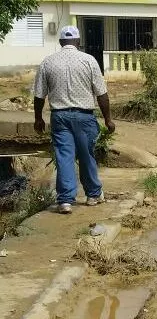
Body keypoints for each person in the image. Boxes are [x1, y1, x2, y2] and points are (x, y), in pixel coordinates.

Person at [33, 25, 115, 214]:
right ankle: (93, 195)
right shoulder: (89, 61)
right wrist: (108, 119)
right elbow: (102, 94)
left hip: (59, 116)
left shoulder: (48, 62)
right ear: (78, 42)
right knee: (87, 155)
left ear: (61, 42)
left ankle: (65, 201)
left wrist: (38, 118)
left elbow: (39, 96)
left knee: (64, 157)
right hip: (84, 116)